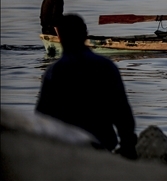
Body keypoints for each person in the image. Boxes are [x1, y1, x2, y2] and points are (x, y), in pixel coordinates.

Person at [36, 14, 137, 157]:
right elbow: (122, 112)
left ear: (60, 38)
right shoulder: (106, 67)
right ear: (85, 35)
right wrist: (128, 145)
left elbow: (41, 117)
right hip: (102, 143)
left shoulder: (55, 72)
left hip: (64, 147)